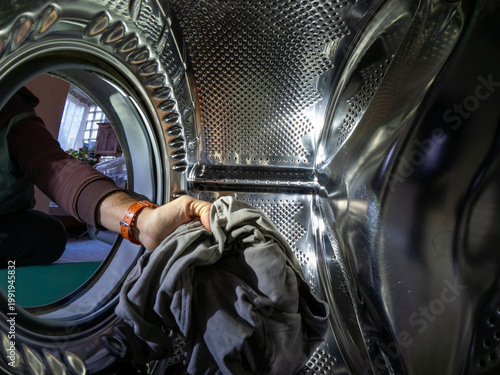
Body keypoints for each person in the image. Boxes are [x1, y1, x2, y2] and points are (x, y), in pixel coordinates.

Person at [0, 87, 211, 267]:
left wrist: (141, 221)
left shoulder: (13, 113)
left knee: (46, 235)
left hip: (8, 216)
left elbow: (55, 168)